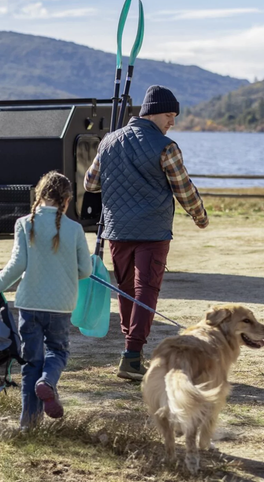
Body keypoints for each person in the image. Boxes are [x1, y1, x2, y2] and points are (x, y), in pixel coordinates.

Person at [83, 85, 209, 381]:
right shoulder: (166, 147)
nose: (172, 122)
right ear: (153, 113)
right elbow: (183, 189)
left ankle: (131, 351)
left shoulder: (108, 141)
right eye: (169, 115)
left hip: (117, 230)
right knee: (146, 291)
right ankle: (132, 356)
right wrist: (200, 216)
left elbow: (90, 183)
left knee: (127, 290)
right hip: (152, 231)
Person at [0, 171, 92, 429]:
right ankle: (48, 382)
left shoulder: (24, 224)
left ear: (39, 195)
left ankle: (28, 424)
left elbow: (17, 265)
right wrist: (67, 271)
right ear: (67, 200)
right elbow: (86, 270)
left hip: (29, 305)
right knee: (58, 351)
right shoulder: (75, 229)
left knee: (31, 362)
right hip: (61, 305)